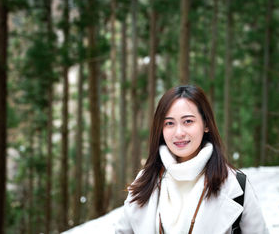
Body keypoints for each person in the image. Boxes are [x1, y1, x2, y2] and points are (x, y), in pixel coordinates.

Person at [114, 85, 269, 234]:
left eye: (188, 121)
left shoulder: (236, 185)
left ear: (206, 124)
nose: (179, 132)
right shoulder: (144, 182)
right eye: (169, 123)